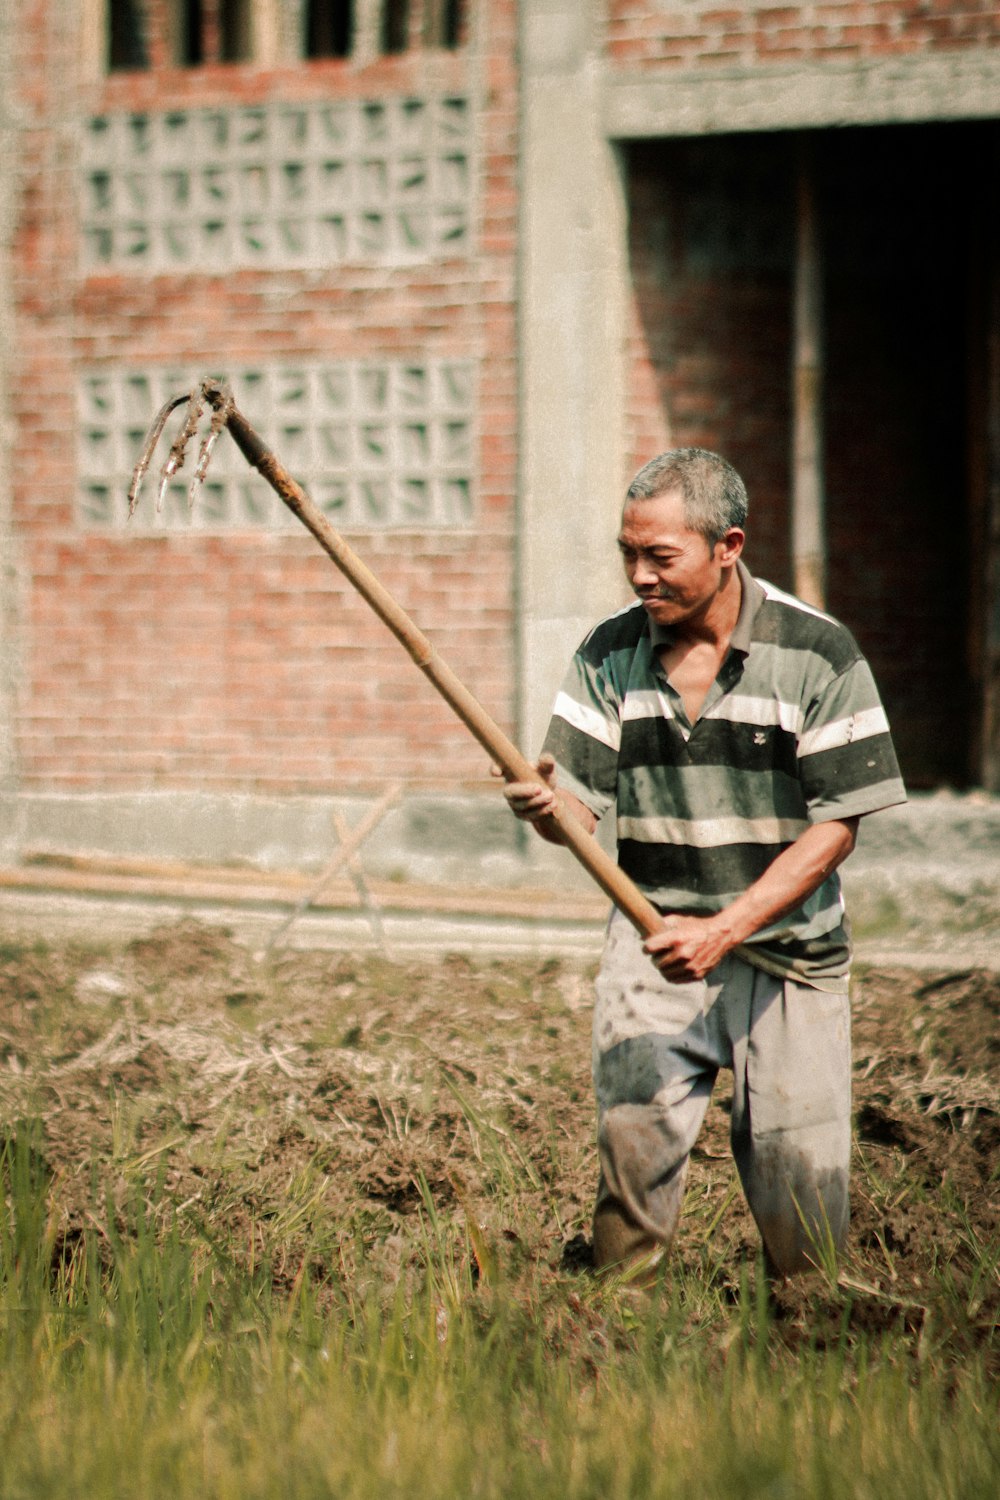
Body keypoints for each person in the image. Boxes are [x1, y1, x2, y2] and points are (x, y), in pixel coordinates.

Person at [501, 448, 906, 1282]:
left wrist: (725, 929)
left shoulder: (818, 653)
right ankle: (612, 1334)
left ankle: (809, 1331)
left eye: (661, 557)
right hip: (653, 943)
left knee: (803, 1189)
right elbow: (577, 808)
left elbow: (837, 829)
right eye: (628, 554)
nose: (640, 576)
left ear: (728, 545)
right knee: (632, 1161)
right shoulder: (608, 652)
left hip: (789, 953)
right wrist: (551, 814)